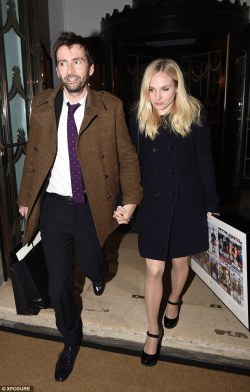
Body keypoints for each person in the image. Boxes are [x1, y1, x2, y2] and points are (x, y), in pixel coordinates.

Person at [18, 31, 142, 381]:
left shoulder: (110, 106)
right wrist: (26, 199)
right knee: (59, 285)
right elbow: (34, 156)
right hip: (55, 207)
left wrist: (131, 198)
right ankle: (70, 339)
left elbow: (128, 158)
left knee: (92, 262)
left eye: (77, 61)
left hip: (91, 205)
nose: (69, 69)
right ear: (56, 69)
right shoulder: (41, 104)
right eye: (62, 62)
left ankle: (99, 273)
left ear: (90, 68)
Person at [129, 58, 219, 367]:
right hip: (154, 202)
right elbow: (131, 165)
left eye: (165, 89)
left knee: (181, 262)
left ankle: (175, 298)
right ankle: (153, 332)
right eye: (152, 90)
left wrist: (212, 206)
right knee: (154, 269)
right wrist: (126, 200)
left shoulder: (194, 115)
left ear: (177, 87)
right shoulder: (140, 117)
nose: (158, 97)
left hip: (187, 201)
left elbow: (205, 162)